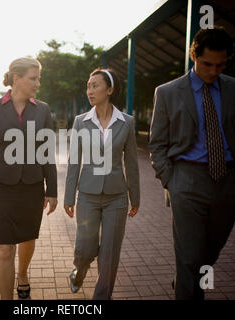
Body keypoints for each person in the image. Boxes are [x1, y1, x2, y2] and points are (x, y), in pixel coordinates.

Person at [148, 27, 235, 300]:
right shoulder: (168, 92)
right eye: (207, 64)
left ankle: (188, 282)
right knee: (190, 254)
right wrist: (170, 180)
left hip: (229, 182)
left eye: (220, 64)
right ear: (194, 55)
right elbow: (157, 143)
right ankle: (188, 290)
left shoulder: (234, 88)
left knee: (209, 253)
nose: (214, 71)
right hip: (187, 179)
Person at [0, 57, 58, 300]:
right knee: (3, 249)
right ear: (16, 79)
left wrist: (51, 189)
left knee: (28, 239)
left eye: (38, 78)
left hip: (32, 186)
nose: (38, 83)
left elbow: (47, 151)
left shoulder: (42, 109)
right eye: (33, 78)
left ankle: (23, 274)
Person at [64, 68, 140, 300]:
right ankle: (79, 271)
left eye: (95, 85)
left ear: (110, 89)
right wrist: (68, 197)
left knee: (109, 255)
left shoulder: (126, 122)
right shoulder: (80, 122)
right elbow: (74, 162)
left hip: (117, 197)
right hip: (87, 194)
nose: (90, 90)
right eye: (88, 86)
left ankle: (101, 299)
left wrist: (135, 198)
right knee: (85, 248)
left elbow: (132, 163)